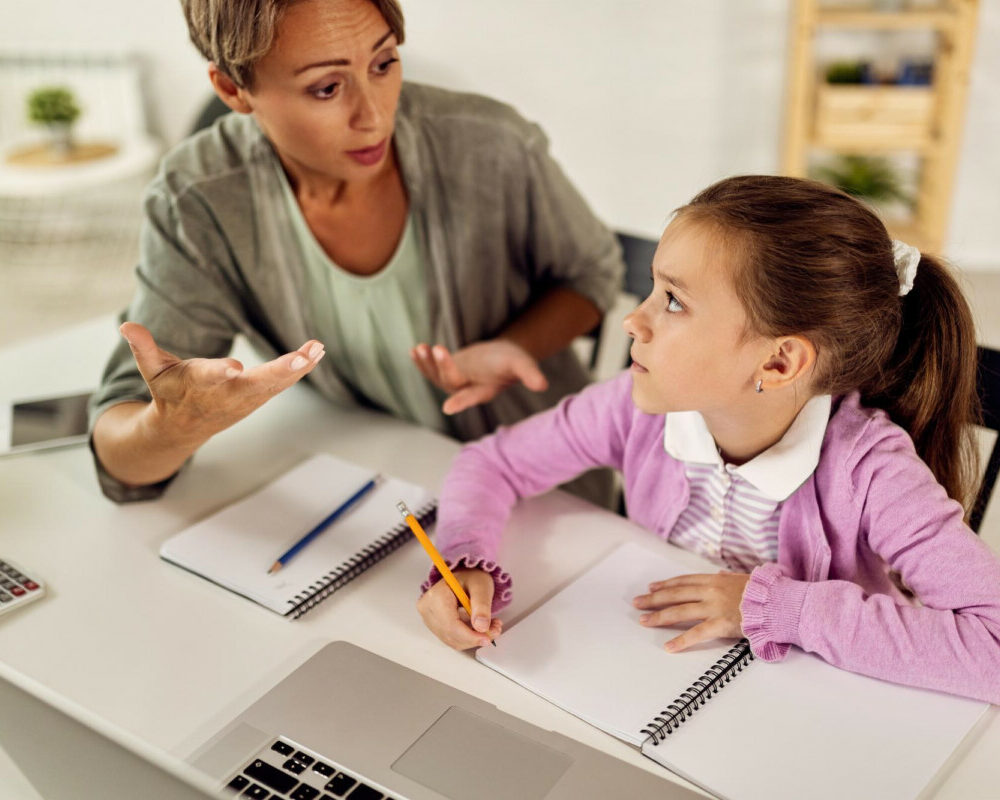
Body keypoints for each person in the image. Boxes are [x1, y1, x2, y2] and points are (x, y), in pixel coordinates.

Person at [417, 175, 1000, 704]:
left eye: (673, 301)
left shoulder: (869, 472)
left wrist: (777, 608)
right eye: (653, 288)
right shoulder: (634, 408)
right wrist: (465, 562)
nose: (632, 321)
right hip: (650, 682)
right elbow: (491, 464)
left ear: (777, 363)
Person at [89, 0, 623, 502]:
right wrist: (172, 429)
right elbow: (122, 454)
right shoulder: (199, 199)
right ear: (233, 89)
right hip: (380, 490)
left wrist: (518, 345)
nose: (373, 116)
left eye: (384, 62)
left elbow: (592, 272)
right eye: (326, 88)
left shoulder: (491, 143)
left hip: (546, 496)